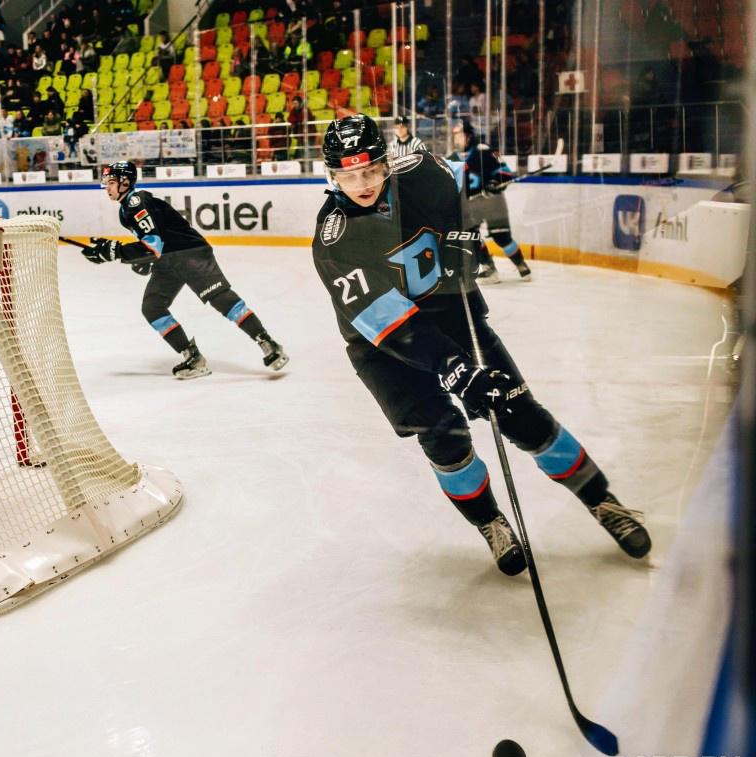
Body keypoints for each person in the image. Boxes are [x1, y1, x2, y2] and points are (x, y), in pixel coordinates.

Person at [310, 115, 650, 575]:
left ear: (386, 162)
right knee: (442, 435)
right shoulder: (334, 240)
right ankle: (490, 521)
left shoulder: (424, 172)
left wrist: (461, 243)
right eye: (350, 176)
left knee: (521, 414)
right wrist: (456, 368)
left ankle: (602, 500)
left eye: (370, 170)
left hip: (451, 311)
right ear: (332, 176)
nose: (363, 184)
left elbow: (456, 198)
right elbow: (386, 321)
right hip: (383, 347)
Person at [81, 161, 288, 379]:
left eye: (111, 182)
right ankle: (193, 358)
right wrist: (137, 257)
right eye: (107, 182)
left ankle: (268, 343)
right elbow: (155, 241)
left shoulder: (137, 202)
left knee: (221, 299)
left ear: (125, 182)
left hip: (190, 253)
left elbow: (153, 245)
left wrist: (116, 251)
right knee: (153, 307)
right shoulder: (125, 210)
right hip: (169, 260)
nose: (107, 187)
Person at [447, 119, 531, 282]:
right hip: (470, 205)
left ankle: (521, 265)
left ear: (470, 136)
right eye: (455, 136)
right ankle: (489, 268)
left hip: (492, 202)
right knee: (471, 237)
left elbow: (504, 173)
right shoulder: (451, 159)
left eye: (461, 135)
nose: (458, 139)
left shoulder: (485, 151)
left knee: (502, 238)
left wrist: (493, 183)